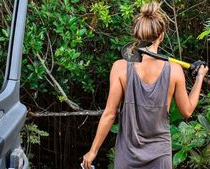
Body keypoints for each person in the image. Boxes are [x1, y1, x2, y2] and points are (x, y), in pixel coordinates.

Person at [82, 2, 208, 169]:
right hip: (160, 157)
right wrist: (199, 77)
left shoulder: (120, 68)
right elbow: (187, 111)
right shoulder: (175, 71)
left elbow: (110, 114)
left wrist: (93, 151)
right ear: (161, 35)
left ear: (137, 35)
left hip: (127, 156)